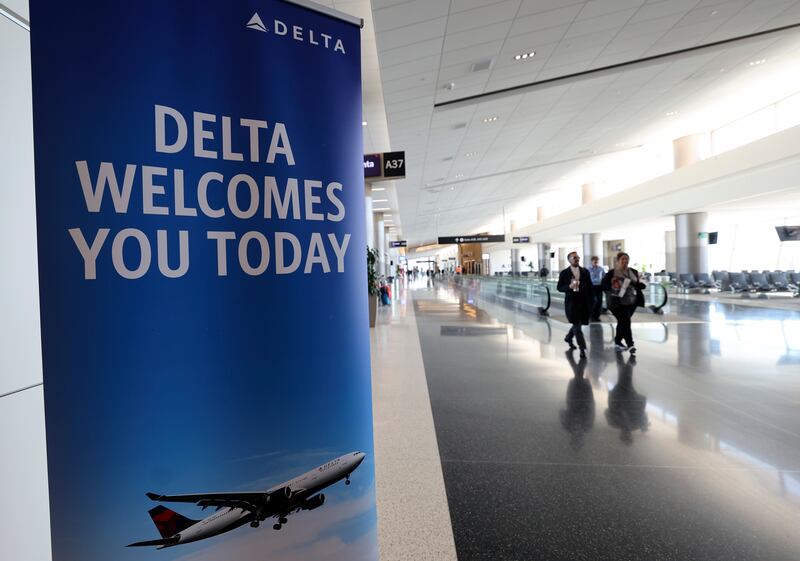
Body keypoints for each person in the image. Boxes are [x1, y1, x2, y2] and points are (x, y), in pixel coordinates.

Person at [601, 252, 646, 353]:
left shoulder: (633, 271)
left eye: (627, 259)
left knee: (623, 321)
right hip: (617, 302)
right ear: (618, 261)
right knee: (625, 321)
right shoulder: (612, 273)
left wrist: (640, 285)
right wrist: (613, 286)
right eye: (623, 259)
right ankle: (630, 344)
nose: (625, 261)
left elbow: (638, 284)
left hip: (631, 301)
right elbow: (604, 285)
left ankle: (617, 341)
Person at [556, 251, 592, 356]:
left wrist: (591, 300)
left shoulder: (585, 271)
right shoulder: (564, 273)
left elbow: (590, 286)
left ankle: (568, 337)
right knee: (577, 325)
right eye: (574, 257)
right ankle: (582, 348)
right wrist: (569, 287)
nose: (577, 259)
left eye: (578, 257)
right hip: (572, 303)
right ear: (569, 260)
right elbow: (559, 287)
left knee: (578, 324)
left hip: (583, 302)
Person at [587, 256, 604, 322]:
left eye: (597, 260)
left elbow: (604, 276)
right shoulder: (588, 269)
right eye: (594, 260)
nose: (596, 261)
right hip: (591, 287)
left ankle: (597, 316)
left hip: (599, 287)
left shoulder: (601, 269)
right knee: (593, 301)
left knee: (599, 302)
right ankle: (591, 316)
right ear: (591, 261)